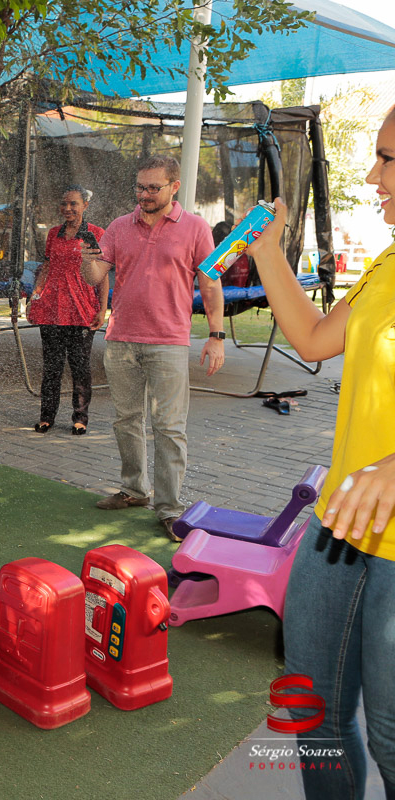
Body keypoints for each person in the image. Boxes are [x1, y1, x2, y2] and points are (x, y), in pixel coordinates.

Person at [243, 106, 395, 798]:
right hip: (341, 524)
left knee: (392, 734)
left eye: (389, 159)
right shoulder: (391, 261)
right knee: (311, 704)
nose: (372, 175)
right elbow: (311, 338)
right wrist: (269, 249)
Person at [80, 154, 224, 541]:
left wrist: (216, 335)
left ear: (174, 186)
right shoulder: (118, 227)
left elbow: (210, 285)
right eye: (140, 187)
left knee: (169, 428)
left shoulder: (196, 229)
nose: (144, 194)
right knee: (126, 420)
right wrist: (86, 262)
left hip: (169, 342)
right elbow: (98, 275)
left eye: (152, 188)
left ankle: (171, 508)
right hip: (121, 338)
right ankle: (133, 491)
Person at [28, 184, 109, 435]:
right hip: (52, 308)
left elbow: (102, 274)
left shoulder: (95, 233)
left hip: (82, 309)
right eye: (64, 203)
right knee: (51, 365)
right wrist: (35, 293)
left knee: (80, 366)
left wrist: (103, 308)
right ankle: (46, 416)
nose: (68, 208)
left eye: (74, 203)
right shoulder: (54, 233)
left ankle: (80, 417)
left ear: (85, 205)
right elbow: (47, 266)